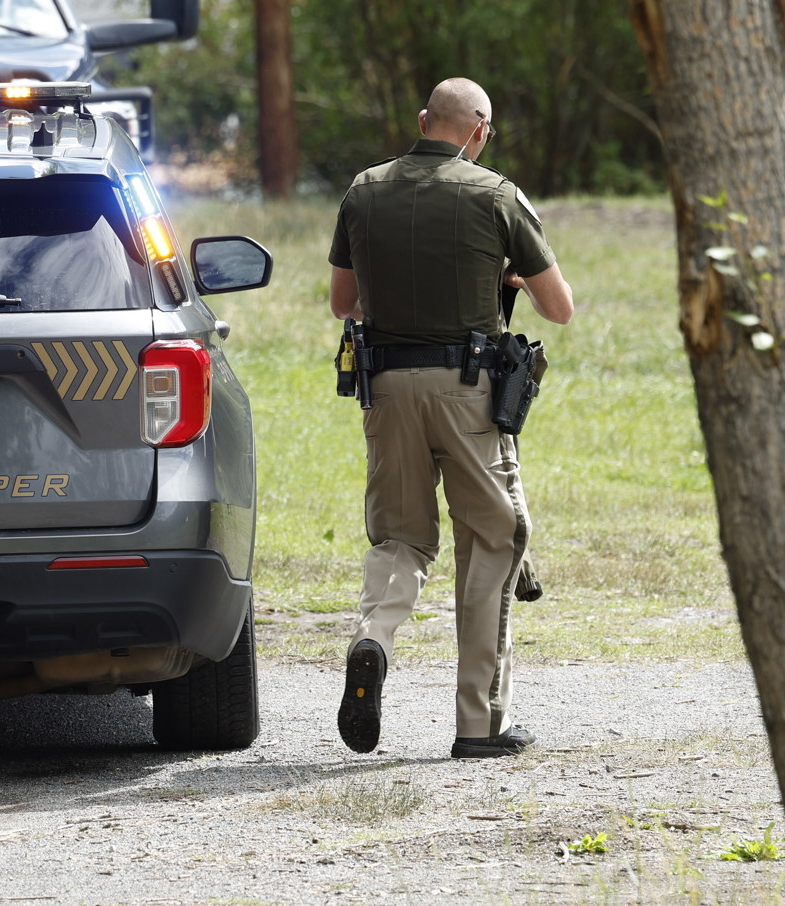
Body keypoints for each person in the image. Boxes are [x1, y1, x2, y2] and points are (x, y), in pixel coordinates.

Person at [327, 77, 574, 759]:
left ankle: (373, 639)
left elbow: (342, 301)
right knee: (493, 539)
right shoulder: (496, 194)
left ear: (422, 120)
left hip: (387, 390)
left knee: (400, 539)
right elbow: (560, 308)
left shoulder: (365, 188)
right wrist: (508, 281)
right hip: (468, 393)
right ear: (480, 131)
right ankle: (479, 723)